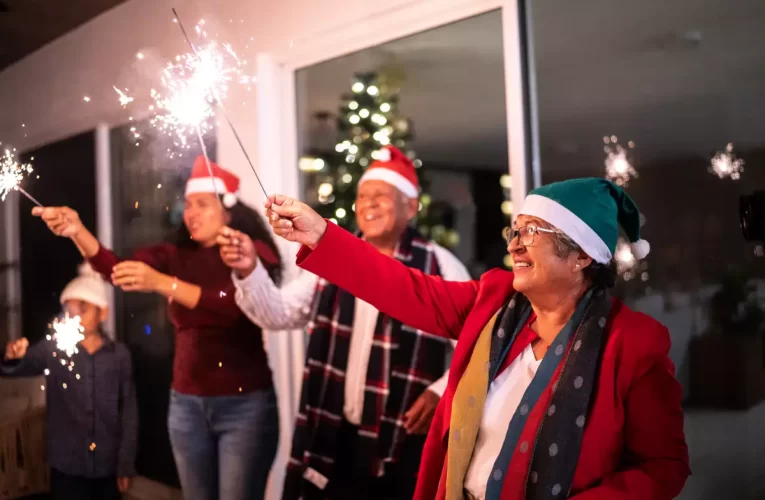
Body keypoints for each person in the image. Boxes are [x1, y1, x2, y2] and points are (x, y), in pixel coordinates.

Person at [259, 177, 690, 500]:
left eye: (532, 232)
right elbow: (405, 288)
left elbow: (663, 467)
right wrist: (320, 233)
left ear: (581, 255)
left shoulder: (633, 344)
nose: (516, 246)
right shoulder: (494, 303)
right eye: (515, 232)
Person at [217, 145, 471, 500]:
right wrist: (248, 269)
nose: (368, 204)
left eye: (381, 195)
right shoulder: (334, 260)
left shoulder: (441, 265)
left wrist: (440, 392)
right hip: (334, 432)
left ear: (410, 207)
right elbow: (279, 312)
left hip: (400, 439)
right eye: (363, 195)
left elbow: (475, 346)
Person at [31, 156, 282, 500]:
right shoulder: (176, 253)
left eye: (203, 204)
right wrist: (78, 231)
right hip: (186, 406)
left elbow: (232, 307)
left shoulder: (252, 253)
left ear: (228, 210)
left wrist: (164, 283)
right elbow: (115, 269)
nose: (191, 212)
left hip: (244, 408)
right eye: (189, 203)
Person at [2, 263, 137, 500]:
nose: (75, 317)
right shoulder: (55, 350)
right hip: (66, 466)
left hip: (107, 464)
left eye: (83, 310)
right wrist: (14, 356)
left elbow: (128, 411)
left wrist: (125, 463)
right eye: (69, 312)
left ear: (102, 313)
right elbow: (20, 367)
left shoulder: (119, 356)